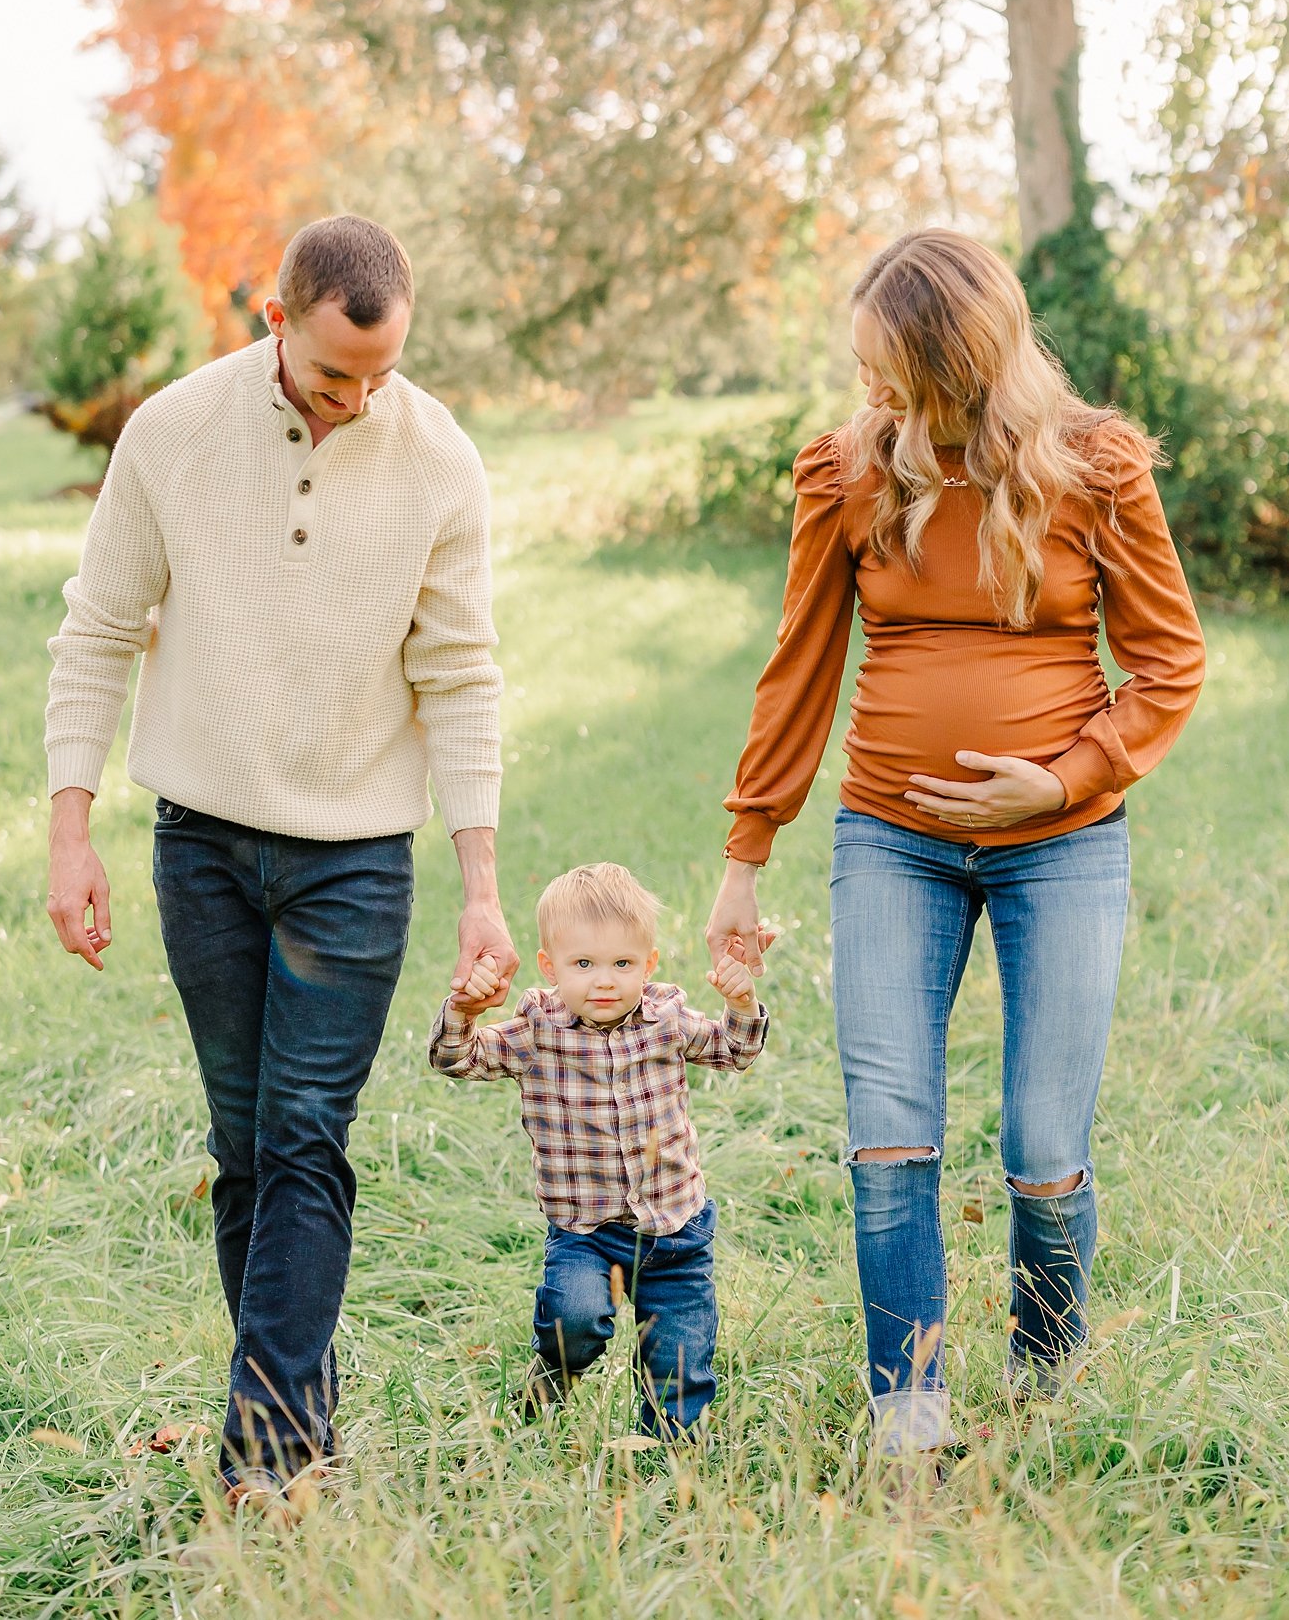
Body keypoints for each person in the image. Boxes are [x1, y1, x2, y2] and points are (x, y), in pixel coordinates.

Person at [44, 214, 516, 1513]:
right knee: (247, 1147)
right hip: (201, 844)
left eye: (380, 372)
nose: (359, 399)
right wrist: (70, 824)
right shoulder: (174, 432)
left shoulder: (438, 461)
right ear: (275, 323)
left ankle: (260, 1461)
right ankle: (299, 1433)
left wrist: (480, 885)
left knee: (305, 1139)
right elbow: (96, 629)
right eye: (331, 375)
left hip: (356, 860)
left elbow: (461, 674)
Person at [705, 229, 1205, 1452]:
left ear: (962, 362)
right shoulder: (847, 471)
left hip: (1065, 843)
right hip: (893, 839)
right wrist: (746, 851)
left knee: (1042, 1146)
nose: (868, 389)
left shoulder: (1096, 468)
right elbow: (800, 667)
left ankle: (1047, 1363)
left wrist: (1065, 779)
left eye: (892, 368)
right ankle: (911, 1405)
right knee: (889, 1128)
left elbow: (1167, 663)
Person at [429, 860, 767, 1434]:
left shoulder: (666, 1018)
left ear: (649, 965)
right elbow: (457, 1058)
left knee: (679, 1359)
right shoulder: (538, 1029)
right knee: (575, 1318)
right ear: (549, 966)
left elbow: (733, 1052)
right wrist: (461, 1012)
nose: (604, 980)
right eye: (583, 964)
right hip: (586, 1231)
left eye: (622, 964)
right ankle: (556, 1371)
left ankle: (672, 1452)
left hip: (674, 1228)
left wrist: (740, 1002)